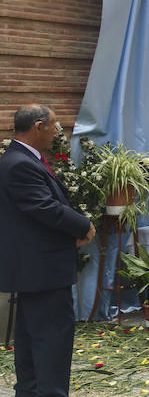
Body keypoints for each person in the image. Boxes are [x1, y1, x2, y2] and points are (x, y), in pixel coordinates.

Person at [0, 105, 96, 396]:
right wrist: (83, 226)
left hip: (33, 269)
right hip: (42, 269)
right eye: (54, 127)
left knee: (30, 338)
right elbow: (44, 207)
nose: (57, 134)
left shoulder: (19, 158)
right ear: (38, 126)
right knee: (53, 341)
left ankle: (29, 391)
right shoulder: (20, 163)